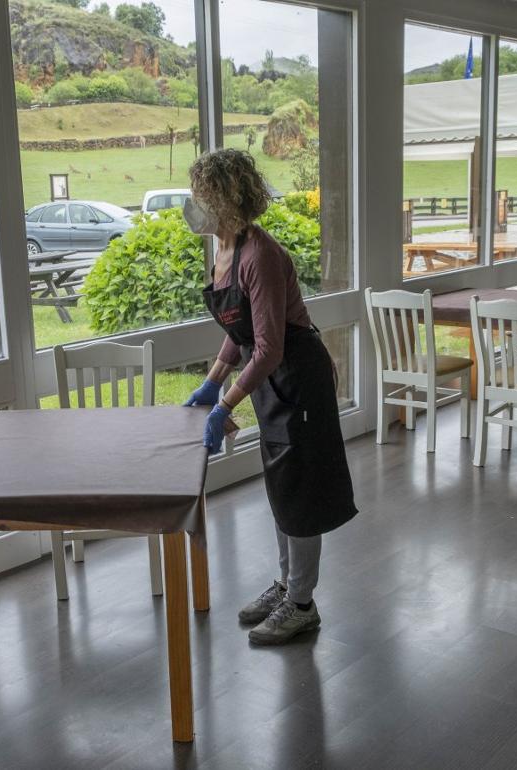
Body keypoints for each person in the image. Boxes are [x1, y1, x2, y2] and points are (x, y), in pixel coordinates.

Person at [182, 148, 358, 646]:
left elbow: (268, 345)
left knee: (299, 494)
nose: (196, 205)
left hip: (297, 378)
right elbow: (239, 328)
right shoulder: (224, 249)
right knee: (281, 489)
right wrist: (214, 379)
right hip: (271, 379)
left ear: (227, 200)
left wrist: (225, 404)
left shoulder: (260, 255)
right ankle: (288, 585)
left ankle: (302, 604)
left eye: (204, 196)